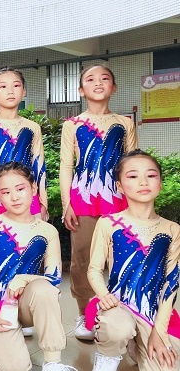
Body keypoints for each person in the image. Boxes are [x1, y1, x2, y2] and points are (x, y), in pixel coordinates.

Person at [60, 64, 138, 340]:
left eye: (105, 78)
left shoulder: (125, 124)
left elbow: (132, 164)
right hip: (83, 201)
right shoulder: (72, 124)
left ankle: (123, 314)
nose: (98, 83)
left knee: (121, 259)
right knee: (82, 259)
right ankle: (84, 313)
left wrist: (134, 202)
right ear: (81, 90)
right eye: (90, 79)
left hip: (119, 202)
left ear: (113, 87)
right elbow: (66, 166)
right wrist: (67, 204)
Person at [0, 162, 75, 371]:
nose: (14, 197)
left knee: (44, 289)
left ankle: (53, 362)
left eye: (20, 188)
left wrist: (24, 279)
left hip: (29, 302)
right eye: (5, 192)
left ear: (34, 188)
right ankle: (1, 349)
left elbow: (54, 279)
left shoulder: (48, 231)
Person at [87, 150, 180, 371]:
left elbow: (172, 282)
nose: (143, 182)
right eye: (133, 176)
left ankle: (137, 346)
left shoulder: (172, 229)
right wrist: (103, 295)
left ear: (160, 182)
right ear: (119, 186)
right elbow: (93, 270)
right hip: (116, 306)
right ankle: (107, 356)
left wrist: (159, 331)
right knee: (118, 328)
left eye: (151, 175)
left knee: (168, 362)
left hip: (152, 311)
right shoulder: (108, 223)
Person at [0, 67, 47, 226]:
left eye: (16, 85)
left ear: (24, 91)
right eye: (3, 86)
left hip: (28, 194)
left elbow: (39, 165)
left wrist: (44, 201)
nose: (10, 91)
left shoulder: (33, 127)